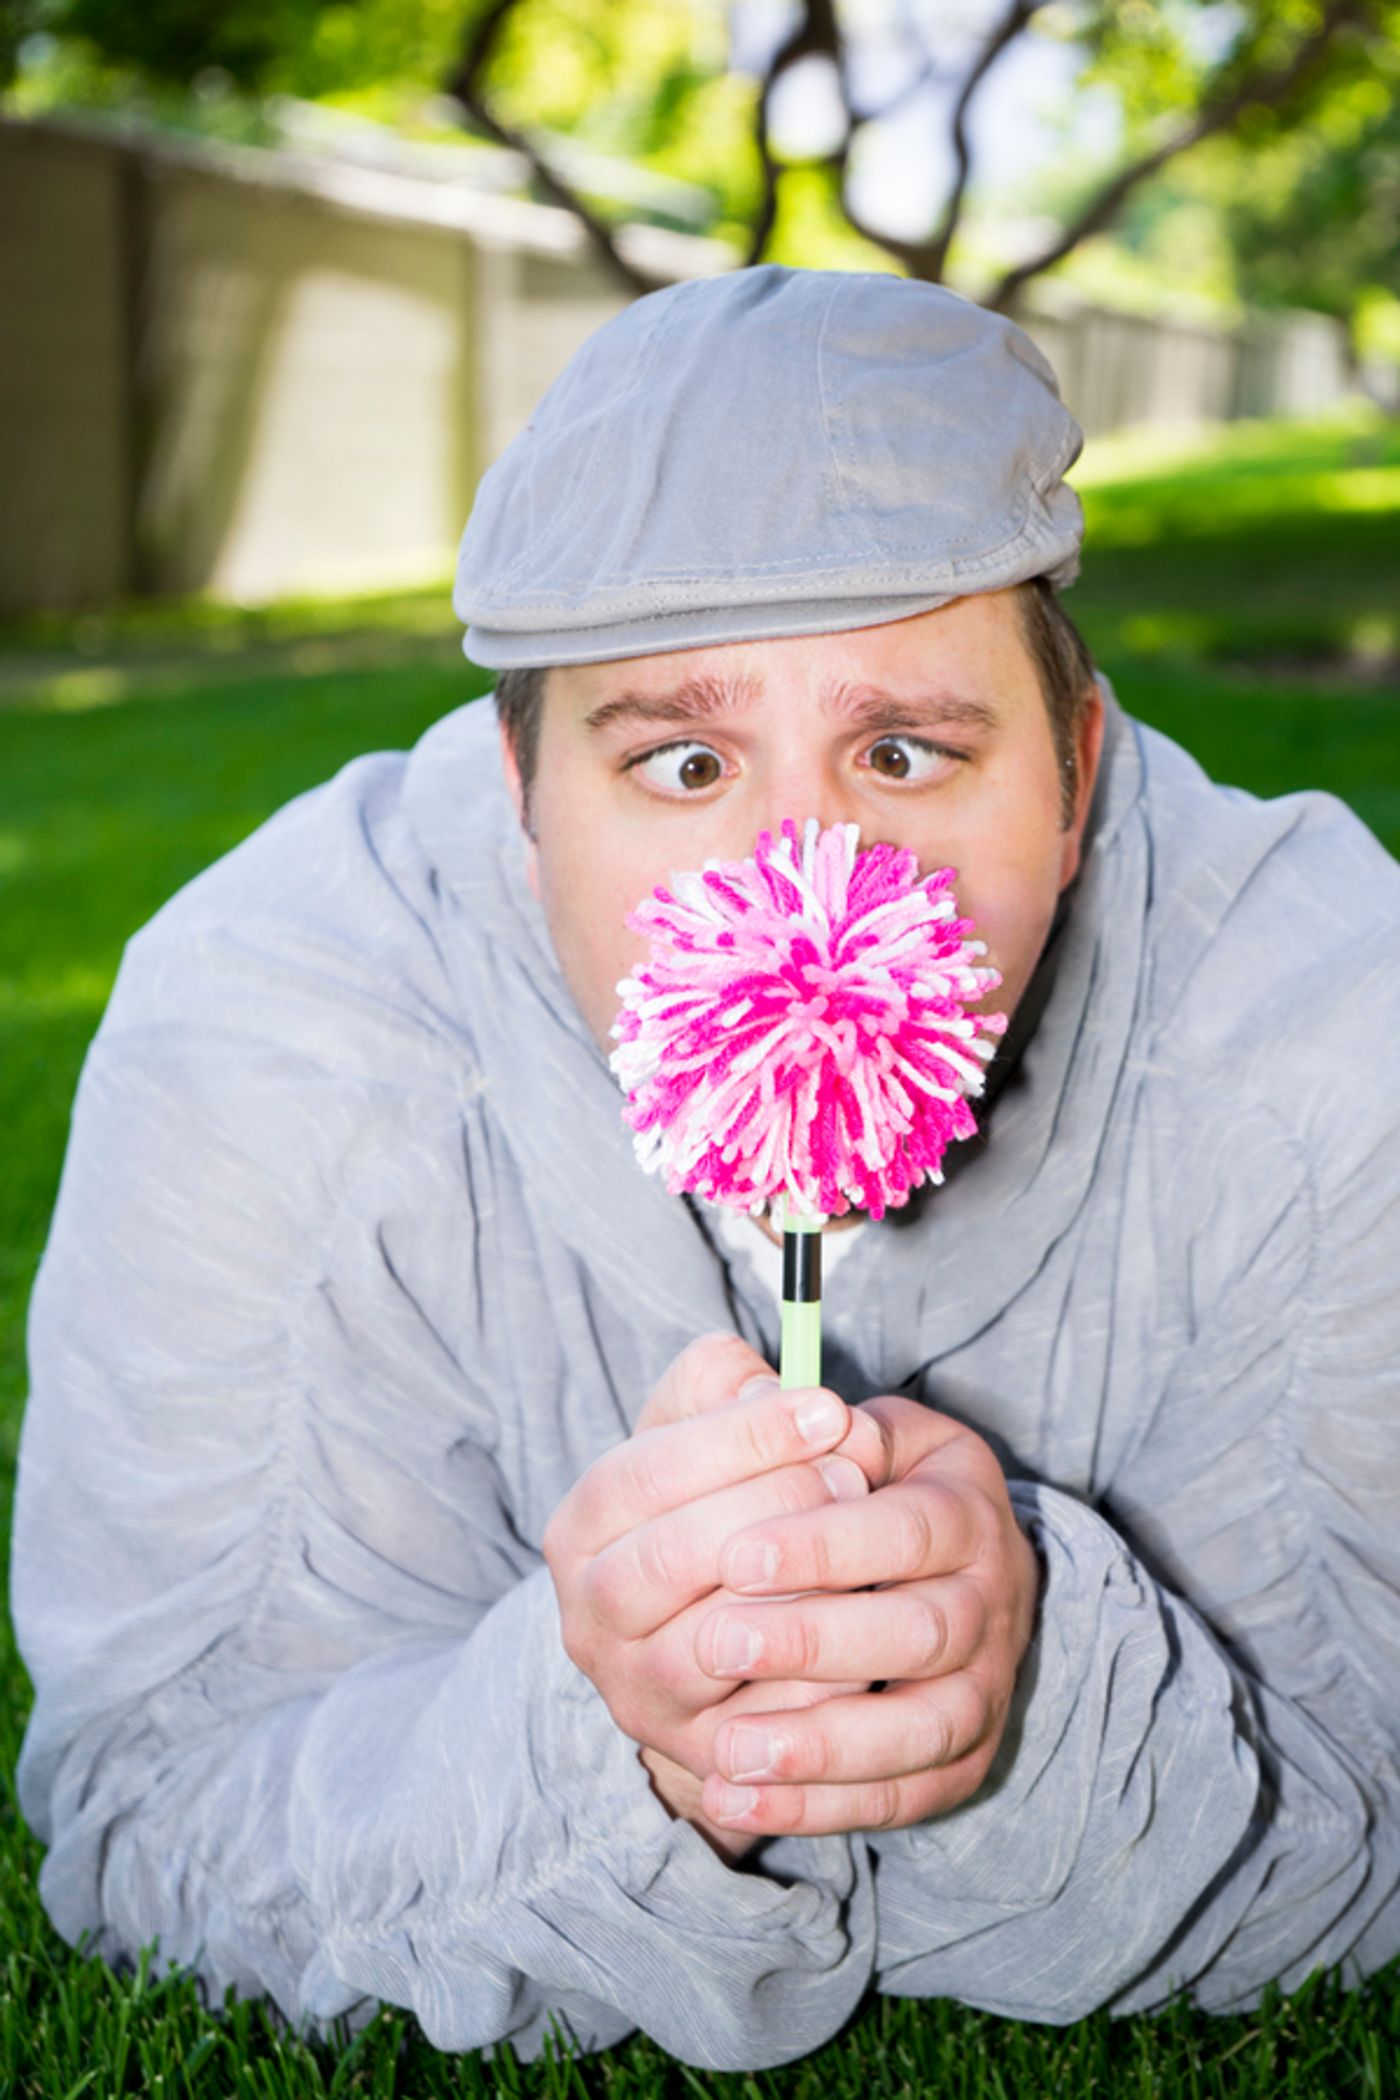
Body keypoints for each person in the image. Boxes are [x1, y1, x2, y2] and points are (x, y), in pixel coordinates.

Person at [11, 268, 1400, 2072]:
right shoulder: (264, 1035)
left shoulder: (1335, 1028)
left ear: (1077, 774)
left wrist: (1039, 1686)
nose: (801, 894)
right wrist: (624, 1745)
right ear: (517, 798)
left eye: (903, 752)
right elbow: (157, 1814)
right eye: (682, 762)